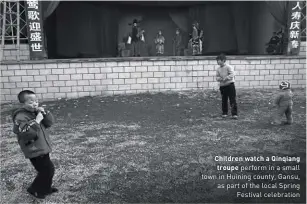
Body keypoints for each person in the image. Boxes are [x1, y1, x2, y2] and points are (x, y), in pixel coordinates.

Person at [12, 90, 57, 199]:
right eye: (31, 102)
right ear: (22, 104)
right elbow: (27, 134)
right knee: (47, 170)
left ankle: (45, 188)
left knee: (47, 170)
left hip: (41, 146)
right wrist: (36, 121)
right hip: (33, 148)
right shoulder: (20, 117)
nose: (35, 104)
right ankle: (35, 189)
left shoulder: (35, 112)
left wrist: (44, 113)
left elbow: (49, 123)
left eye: (36, 101)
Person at [215, 53, 238, 119]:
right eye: (217, 60)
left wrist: (226, 78)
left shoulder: (228, 67)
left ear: (223, 60)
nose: (218, 62)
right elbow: (217, 77)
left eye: (219, 60)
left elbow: (232, 74)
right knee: (224, 100)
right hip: (222, 86)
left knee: (232, 99)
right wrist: (220, 79)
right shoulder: (218, 69)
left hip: (230, 85)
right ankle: (224, 113)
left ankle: (234, 114)